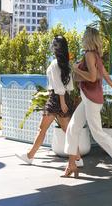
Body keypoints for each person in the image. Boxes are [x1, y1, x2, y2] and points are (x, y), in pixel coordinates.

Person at [63, 26, 112, 179]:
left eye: (84, 36)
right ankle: (71, 164)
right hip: (89, 99)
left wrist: (75, 69)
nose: (82, 38)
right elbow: (106, 77)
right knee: (72, 127)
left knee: (98, 134)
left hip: (91, 99)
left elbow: (92, 77)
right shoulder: (95, 55)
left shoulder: (89, 55)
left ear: (88, 38)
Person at [16, 36, 82, 167]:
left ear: (55, 47)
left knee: (42, 129)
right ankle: (78, 159)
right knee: (67, 130)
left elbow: (58, 86)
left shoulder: (54, 64)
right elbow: (69, 86)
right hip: (64, 98)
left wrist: (62, 102)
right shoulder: (66, 64)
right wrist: (64, 102)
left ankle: (29, 156)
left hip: (56, 99)